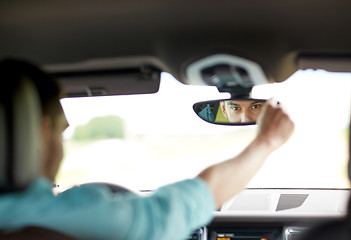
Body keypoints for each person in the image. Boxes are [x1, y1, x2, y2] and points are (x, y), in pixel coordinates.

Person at [0, 59, 294, 240]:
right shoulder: (90, 217)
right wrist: (267, 140)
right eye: (61, 132)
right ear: (37, 133)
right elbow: (203, 195)